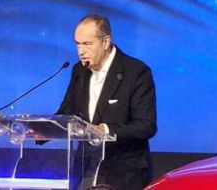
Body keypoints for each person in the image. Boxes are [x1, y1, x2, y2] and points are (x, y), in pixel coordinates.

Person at [57, 14, 158, 190]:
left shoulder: (136, 72)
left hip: (122, 174)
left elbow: (146, 126)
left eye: (87, 44)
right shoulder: (79, 71)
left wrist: (105, 130)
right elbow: (67, 113)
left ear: (105, 42)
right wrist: (40, 128)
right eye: (78, 44)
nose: (81, 51)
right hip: (84, 173)